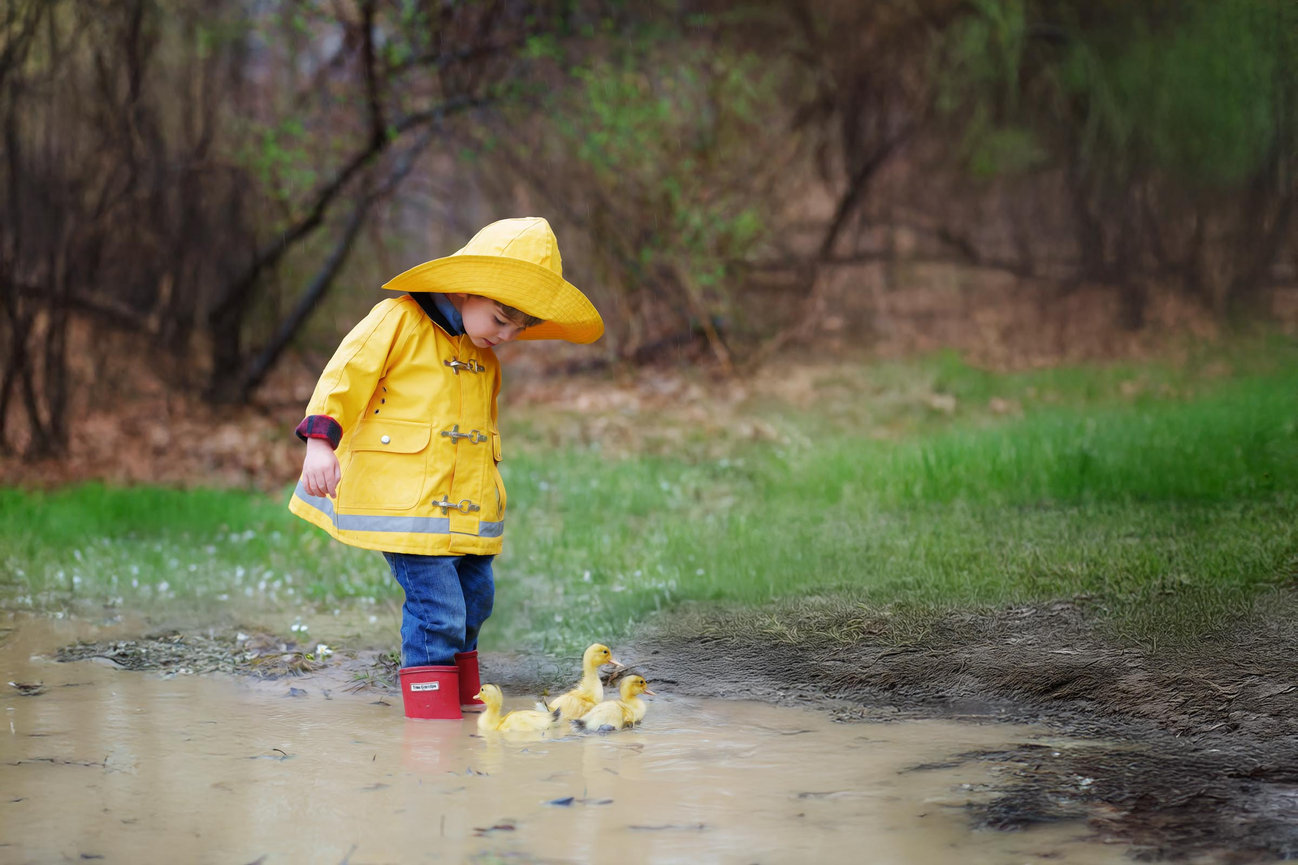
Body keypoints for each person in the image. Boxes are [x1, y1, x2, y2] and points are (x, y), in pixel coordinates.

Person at [289, 217, 603, 720]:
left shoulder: (484, 357)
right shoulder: (398, 320)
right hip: (408, 504)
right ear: (464, 289)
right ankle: (431, 719)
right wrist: (320, 444)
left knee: (476, 600)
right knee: (439, 608)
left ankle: (463, 695)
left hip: (466, 507)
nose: (505, 336)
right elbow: (344, 374)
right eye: (500, 320)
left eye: (517, 330)